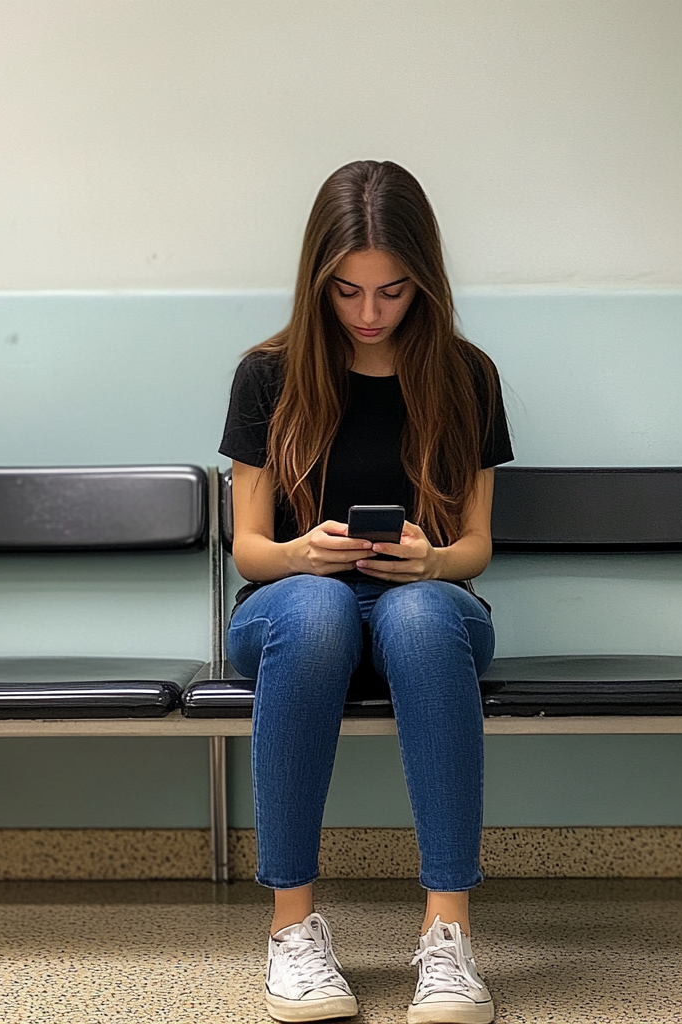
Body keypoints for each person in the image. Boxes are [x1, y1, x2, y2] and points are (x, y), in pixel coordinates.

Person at [219, 159, 513, 1024]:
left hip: (429, 604)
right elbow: (247, 551)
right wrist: (303, 553)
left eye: (393, 291)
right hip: (290, 605)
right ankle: (292, 932)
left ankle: (449, 936)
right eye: (347, 291)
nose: (370, 314)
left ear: (424, 282)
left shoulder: (466, 376)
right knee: (317, 609)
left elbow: (477, 548)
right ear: (319, 280)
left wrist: (429, 560)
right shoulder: (267, 377)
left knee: (421, 615)